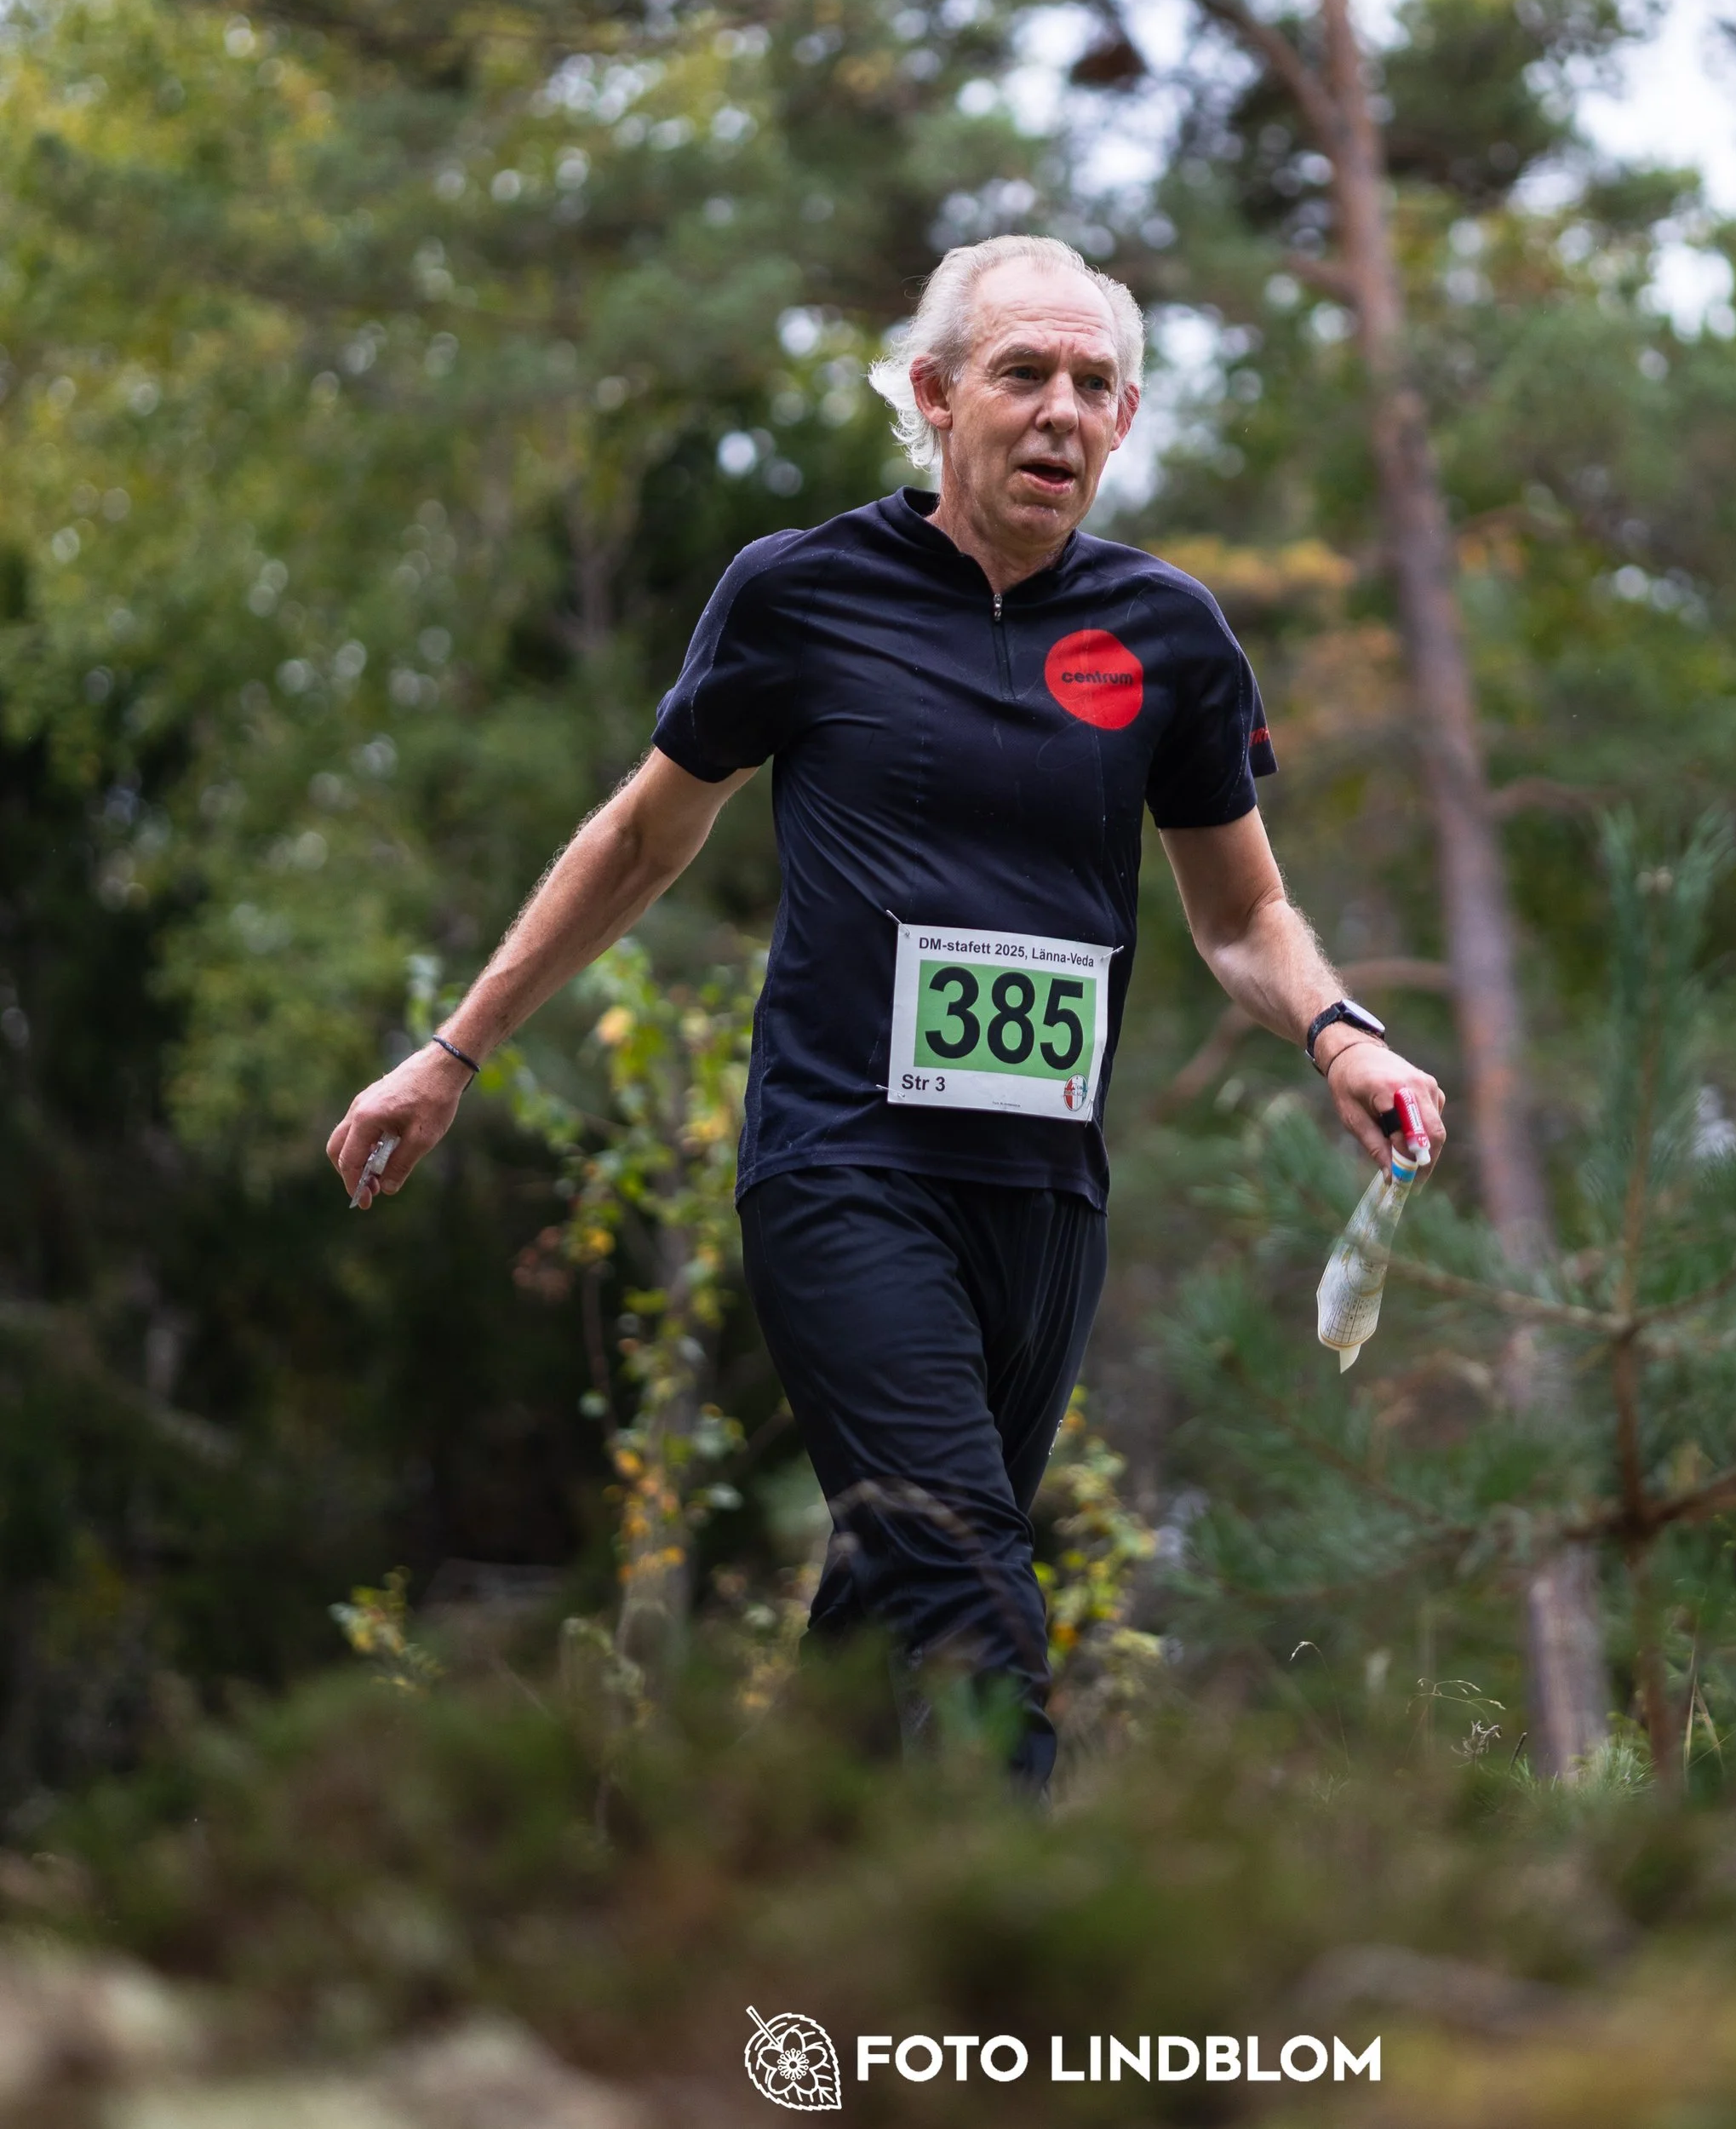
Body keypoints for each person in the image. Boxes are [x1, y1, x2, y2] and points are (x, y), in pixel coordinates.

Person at [328, 233, 1446, 1784]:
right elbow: (646, 835)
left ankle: (752, 1919)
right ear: (933, 396)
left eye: (1095, 385)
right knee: (972, 1580)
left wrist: (1341, 1031)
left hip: (1044, 1194)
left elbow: (1242, 914)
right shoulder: (803, 593)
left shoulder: (1169, 634)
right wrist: (454, 1053)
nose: (1062, 410)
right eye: (1024, 374)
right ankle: (1022, 1986)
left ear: (1125, 422)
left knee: (884, 1610)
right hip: (844, 1164)